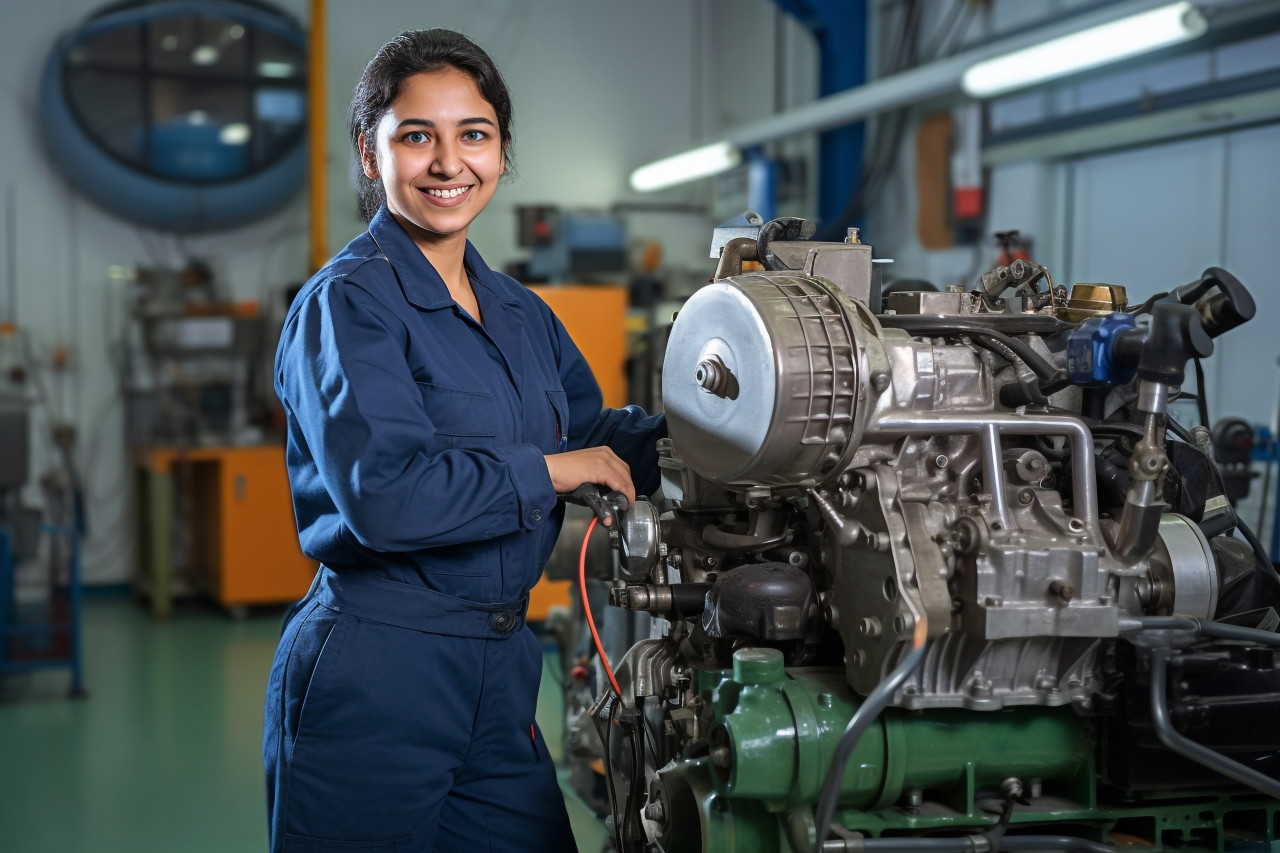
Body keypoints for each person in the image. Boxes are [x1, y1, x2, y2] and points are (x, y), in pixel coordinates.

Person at [262, 29, 665, 853]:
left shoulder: (518, 310)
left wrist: (729, 432)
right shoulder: (347, 306)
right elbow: (389, 495)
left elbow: (592, 435)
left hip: (501, 673)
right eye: (418, 136)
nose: (449, 162)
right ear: (371, 158)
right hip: (378, 671)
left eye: (473, 135)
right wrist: (556, 470)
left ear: (502, 153)